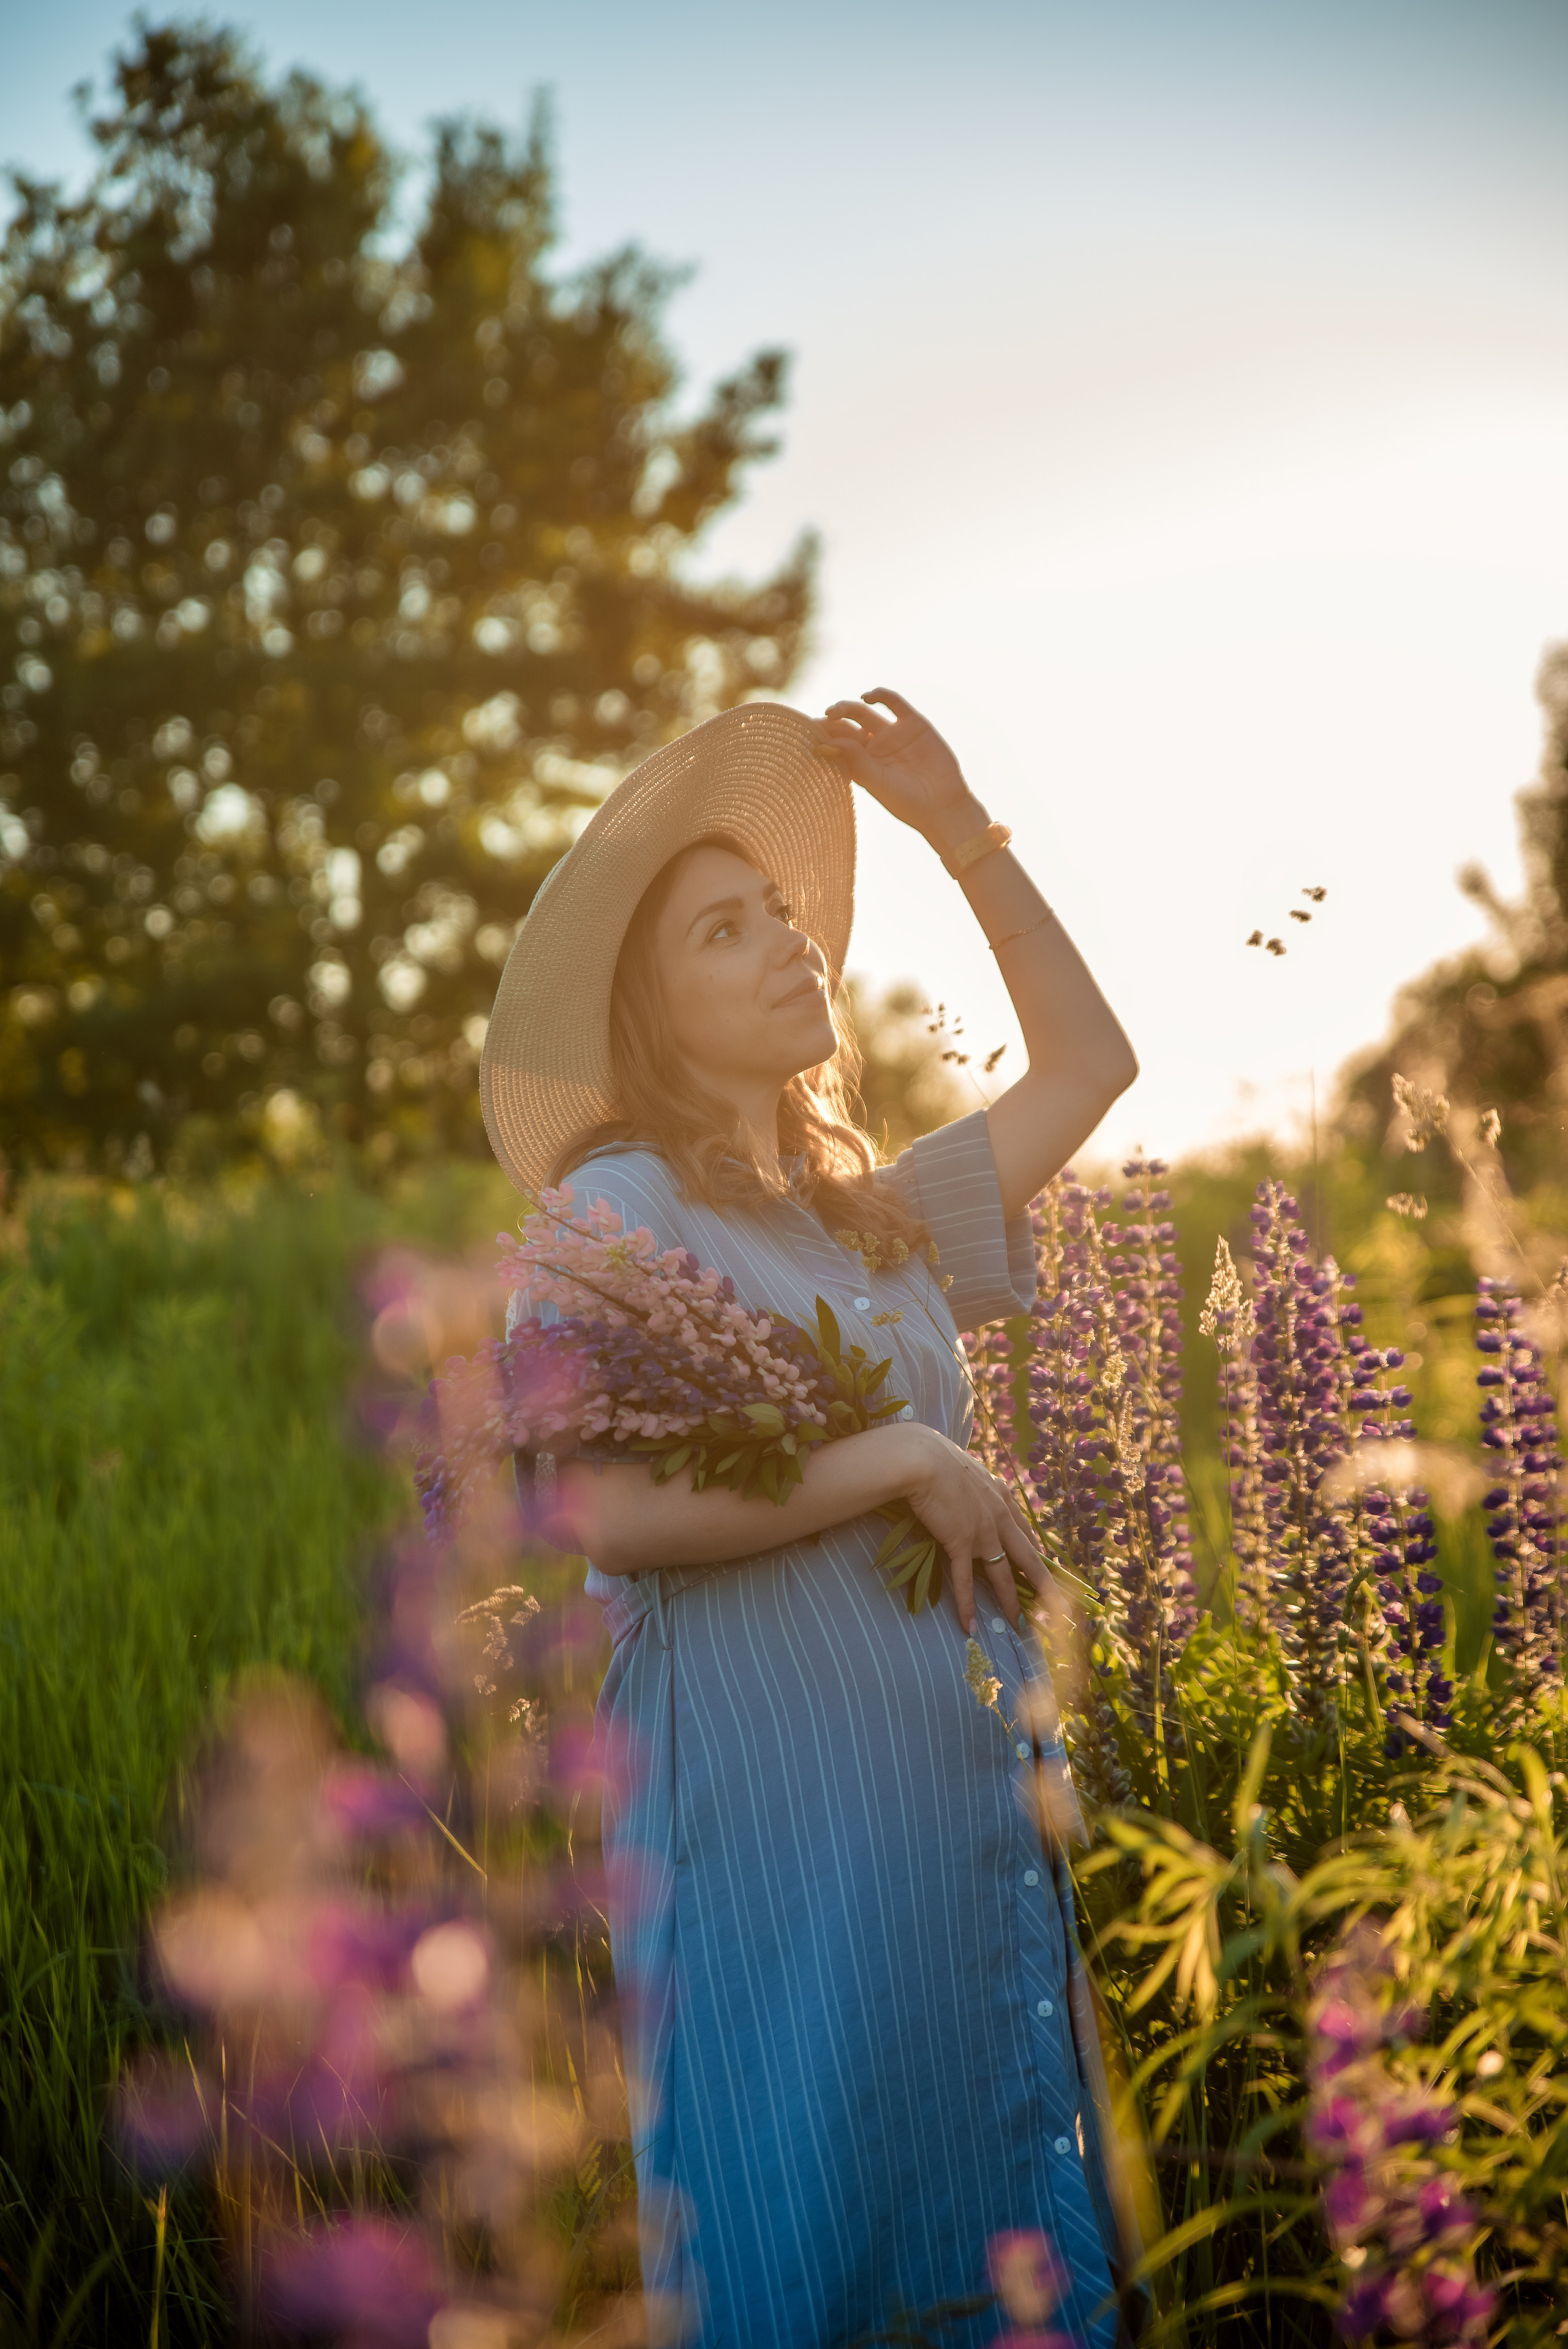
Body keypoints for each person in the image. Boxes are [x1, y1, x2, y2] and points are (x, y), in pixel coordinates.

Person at [479, 690, 1139, 2349]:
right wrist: (903, 1456)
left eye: (780, 910)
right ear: (655, 1006)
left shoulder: (873, 1218)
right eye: (725, 927)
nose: (786, 940)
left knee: (998, 2227)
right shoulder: (611, 1212)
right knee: (807, 2217)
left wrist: (961, 827)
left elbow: (1093, 1063)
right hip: (775, 1830)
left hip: (955, 1815)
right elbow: (605, 1506)